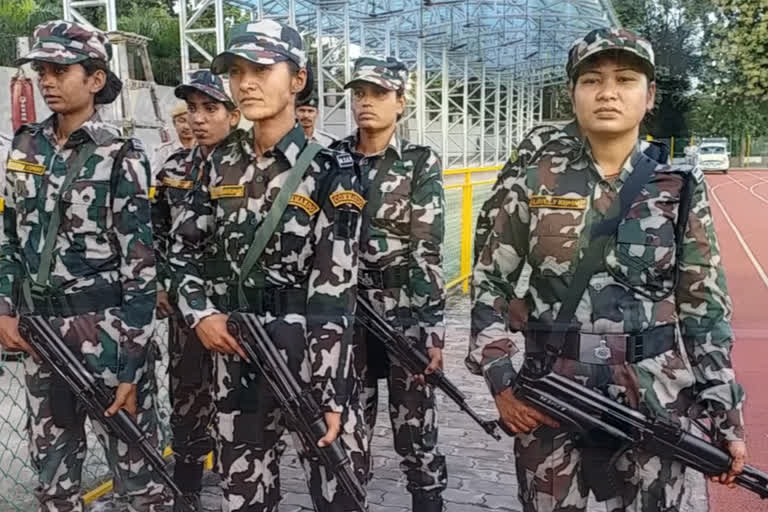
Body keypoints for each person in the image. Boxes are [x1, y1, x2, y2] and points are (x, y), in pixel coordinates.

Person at [468, 28, 747, 512]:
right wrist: (501, 380)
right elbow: (490, 279)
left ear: (650, 94)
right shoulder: (534, 177)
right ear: (572, 93)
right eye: (592, 80)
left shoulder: (677, 186)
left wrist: (724, 415)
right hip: (552, 392)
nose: (608, 92)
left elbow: (703, 305)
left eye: (625, 79)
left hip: (655, 396)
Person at [169, 19, 368, 512]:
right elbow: (182, 252)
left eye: (261, 68)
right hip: (235, 354)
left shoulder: (333, 169)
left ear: (297, 79)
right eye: (236, 71)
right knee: (243, 497)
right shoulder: (212, 164)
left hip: (309, 357)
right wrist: (201, 314)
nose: (246, 82)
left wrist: (330, 391)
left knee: (337, 492)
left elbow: (333, 288)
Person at [0, 20, 172, 511]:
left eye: (60, 69)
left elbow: (141, 267)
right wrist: (5, 307)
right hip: (41, 333)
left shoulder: (120, 155)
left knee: (139, 480)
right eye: (42, 71)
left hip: (109, 335)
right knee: (53, 479)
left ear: (95, 79)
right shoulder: (24, 146)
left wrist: (131, 364)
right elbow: (10, 238)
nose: (47, 80)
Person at [331, 56, 448, 512]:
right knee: (348, 426)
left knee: (415, 429)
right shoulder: (333, 160)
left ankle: (427, 500)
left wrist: (432, 329)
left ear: (401, 102)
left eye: (378, 94)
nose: (366, 103)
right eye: (359, 94)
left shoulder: (419, 162)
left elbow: (427, 247)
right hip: (346, 314)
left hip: (403, 314)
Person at [152, 69, 241, 511]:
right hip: (188, 309)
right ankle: (186, 489)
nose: (199, 119)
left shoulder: (253, 167)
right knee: (186, 395)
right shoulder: (173, 170)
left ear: (234, 114)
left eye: (210, 108)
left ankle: (239, 484)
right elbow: (158, 231)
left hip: (238, 311)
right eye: (193, 110)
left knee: (240, 403)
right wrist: (162, 285)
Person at [153, 102, 196, 174]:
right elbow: (154, 179)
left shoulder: (207, 149)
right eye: (182, 121)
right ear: (174, 123)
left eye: (191, 121)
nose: (187, 127)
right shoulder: (164, 151)